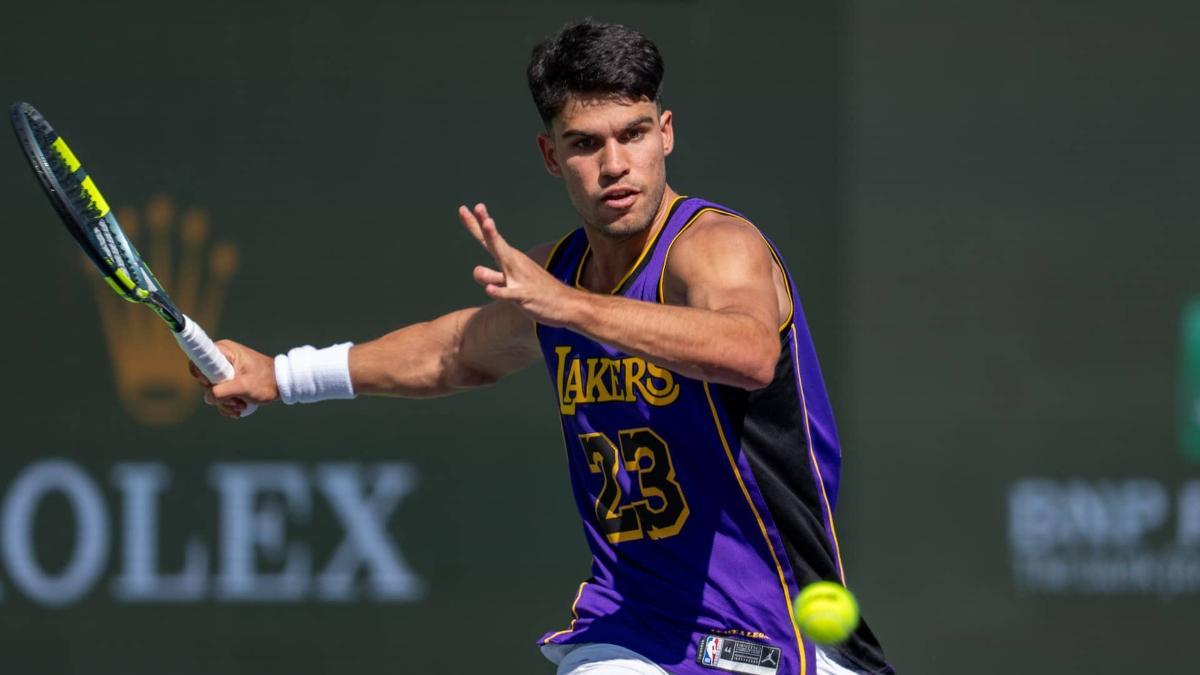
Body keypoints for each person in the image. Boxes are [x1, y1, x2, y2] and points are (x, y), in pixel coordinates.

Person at [194, 19, 892, 675]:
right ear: (550, 155)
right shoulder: (556, 278)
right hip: (635, 620)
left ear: (667, 133)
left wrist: (574, 309)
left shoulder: (713, 247)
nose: (616, 164)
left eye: (635, 133)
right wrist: (283, 374)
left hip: (775, 631)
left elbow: (747, 352)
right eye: (586, 143)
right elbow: (455, 352)